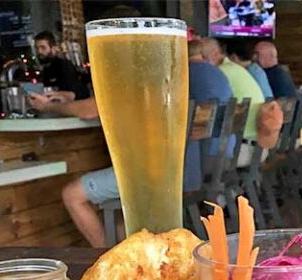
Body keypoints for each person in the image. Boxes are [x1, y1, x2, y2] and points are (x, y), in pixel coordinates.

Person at [58, 41, 233, 247]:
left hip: (164, 175)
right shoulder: (215, 74)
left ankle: (108, 261)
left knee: (73, 195)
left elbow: (89, 110)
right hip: (197, 169)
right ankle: (128, 258)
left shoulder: (155, 76)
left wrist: (50, 106)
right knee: (121, 208)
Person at [201, 38, 266, 167]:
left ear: (214, 54)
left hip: (241, 149)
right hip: (258, 146)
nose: (200, 63)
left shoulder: (220, 73)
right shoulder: (235, 68)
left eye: (202, 57)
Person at [33, 31, 89, 100]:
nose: (39, 52)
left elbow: (79, 93)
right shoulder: (46, 69)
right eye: (37, 48)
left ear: (53, 49)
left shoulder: (64, 66)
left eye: (43, 47)